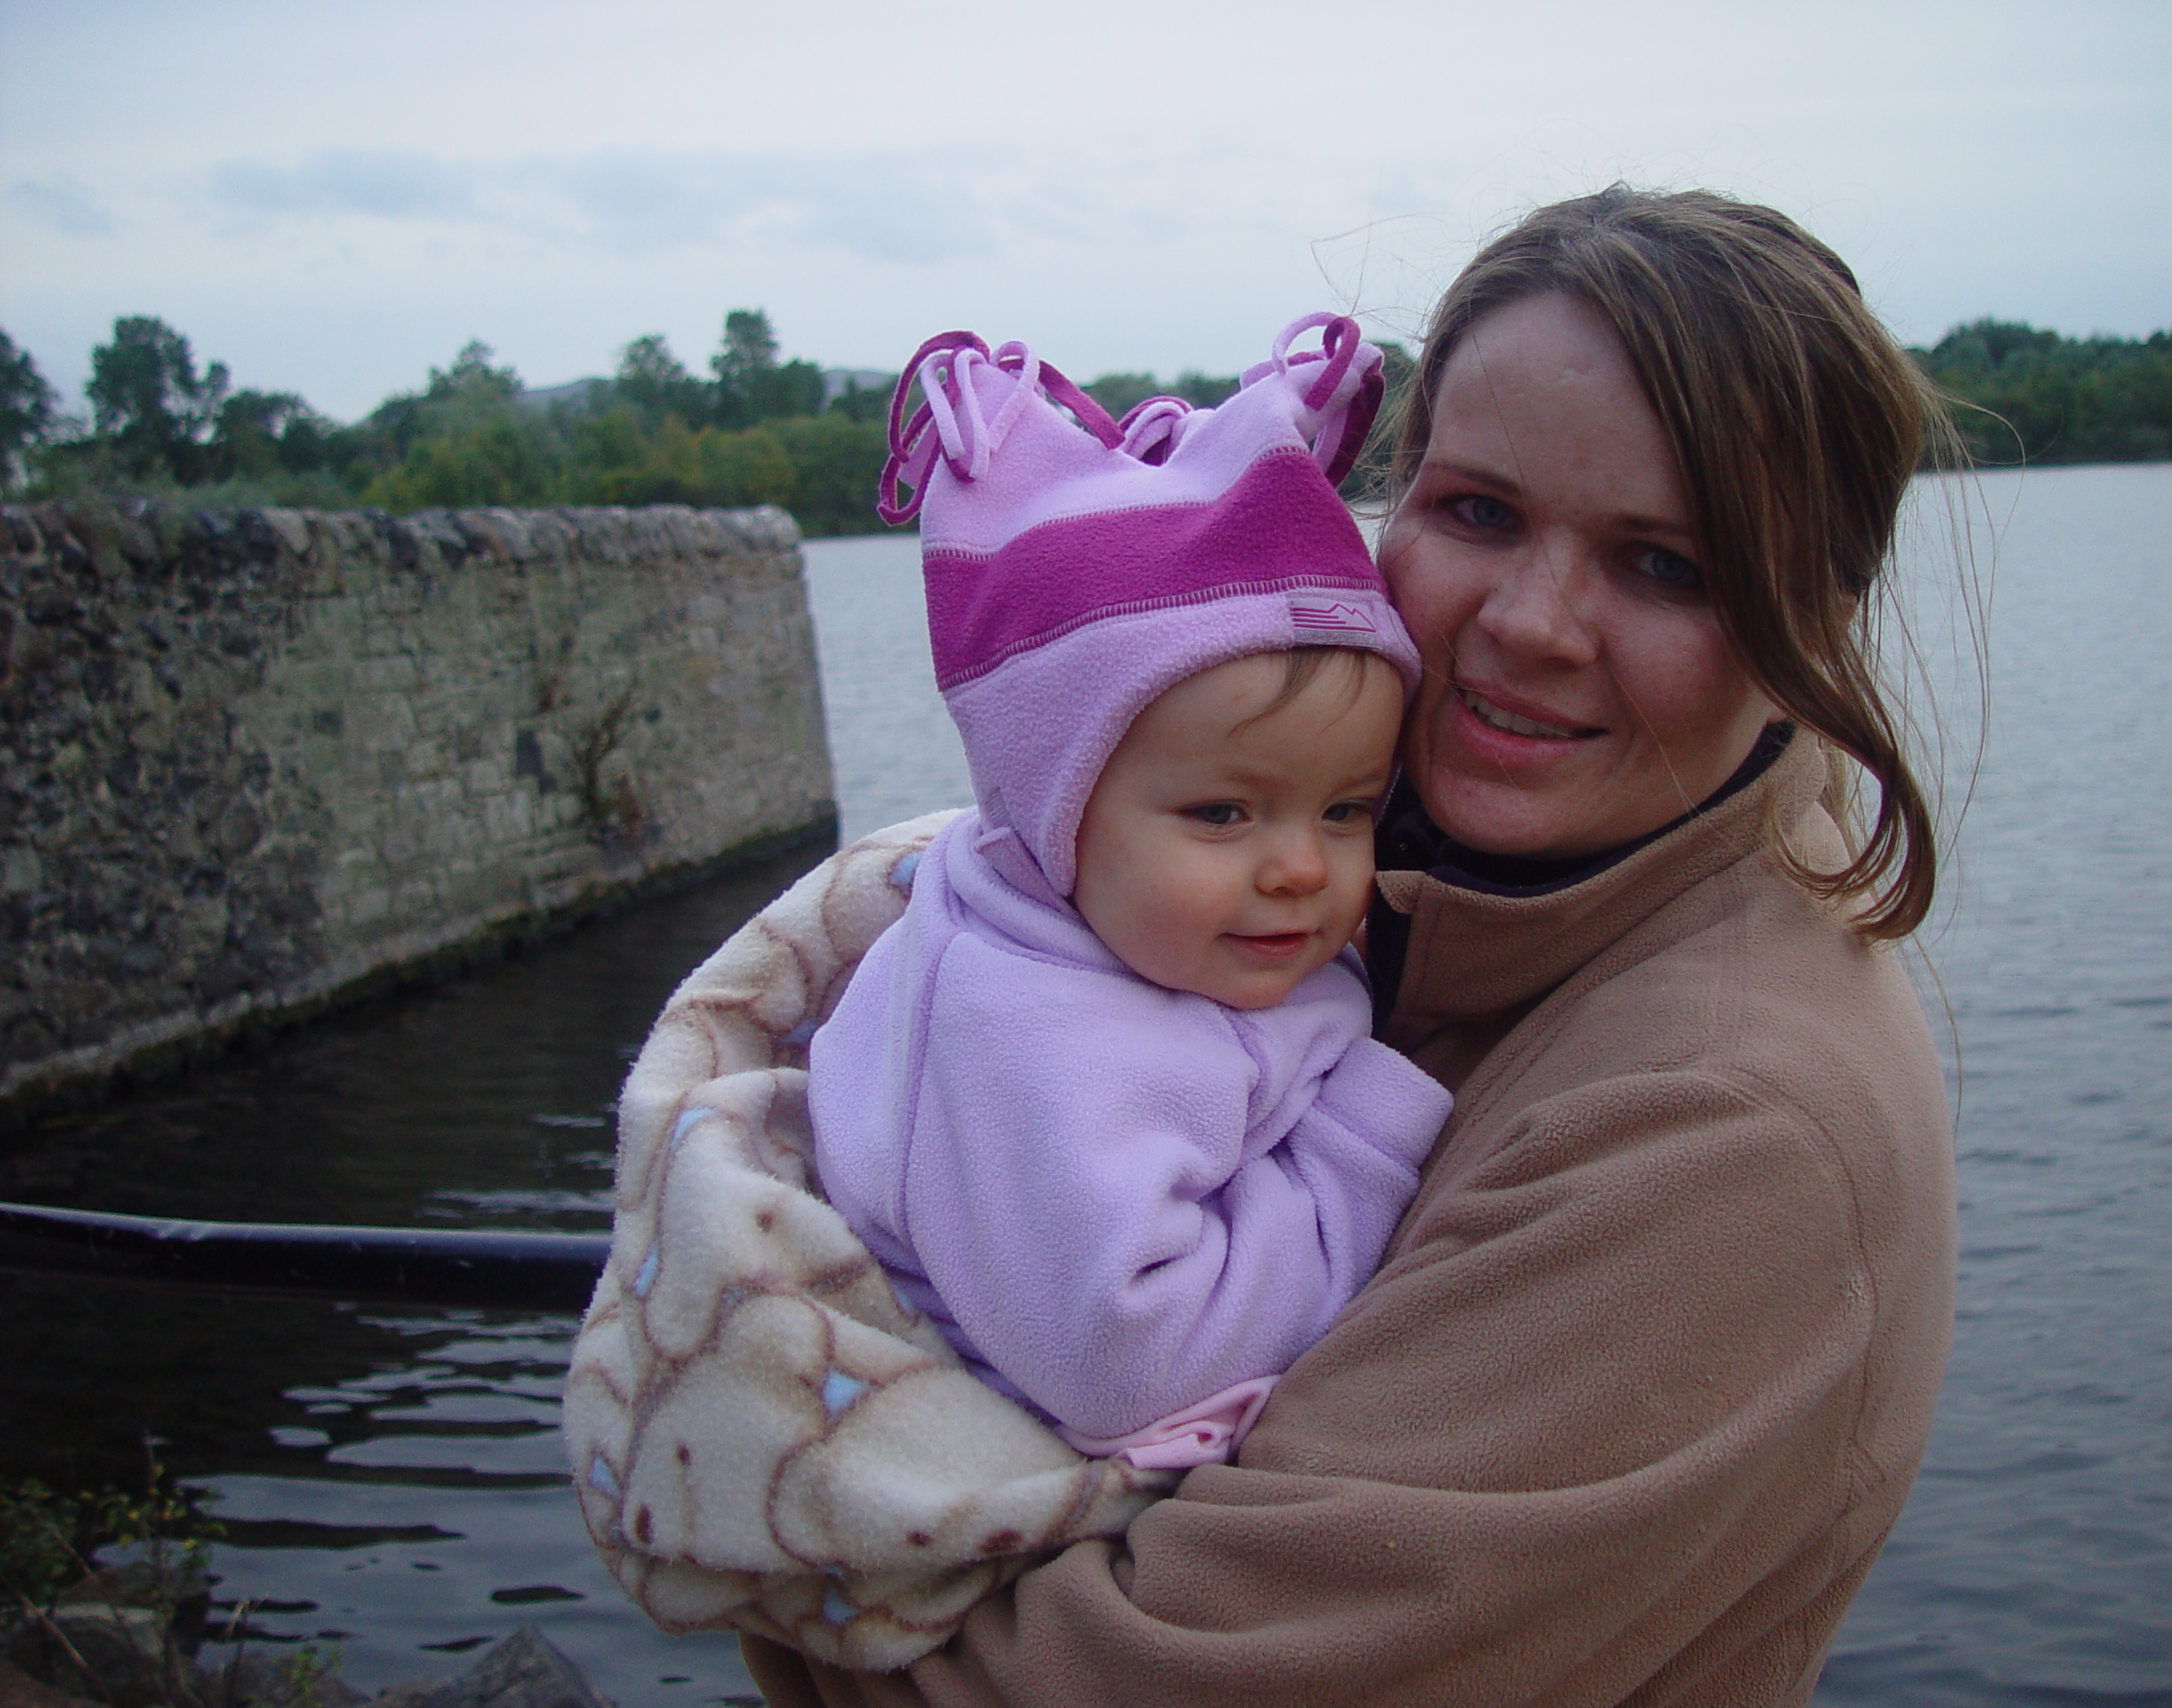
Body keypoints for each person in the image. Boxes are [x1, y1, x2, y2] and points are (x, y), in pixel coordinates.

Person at [597, 182, 1959, 1704]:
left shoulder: (1723, 1133)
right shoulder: (1435, 877)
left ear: (1818, 620)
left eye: (1669, 566)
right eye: (1478, 512)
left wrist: (782, 1542)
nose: (1529, 623)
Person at [807, 315, 1453, 1469]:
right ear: (1057, 807)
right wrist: (1356, 1145)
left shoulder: (1127, 930)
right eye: (1222, 813)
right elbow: (1131, 1362)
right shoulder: (1034, 1037)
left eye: (1348, 809)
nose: (1303, 866)